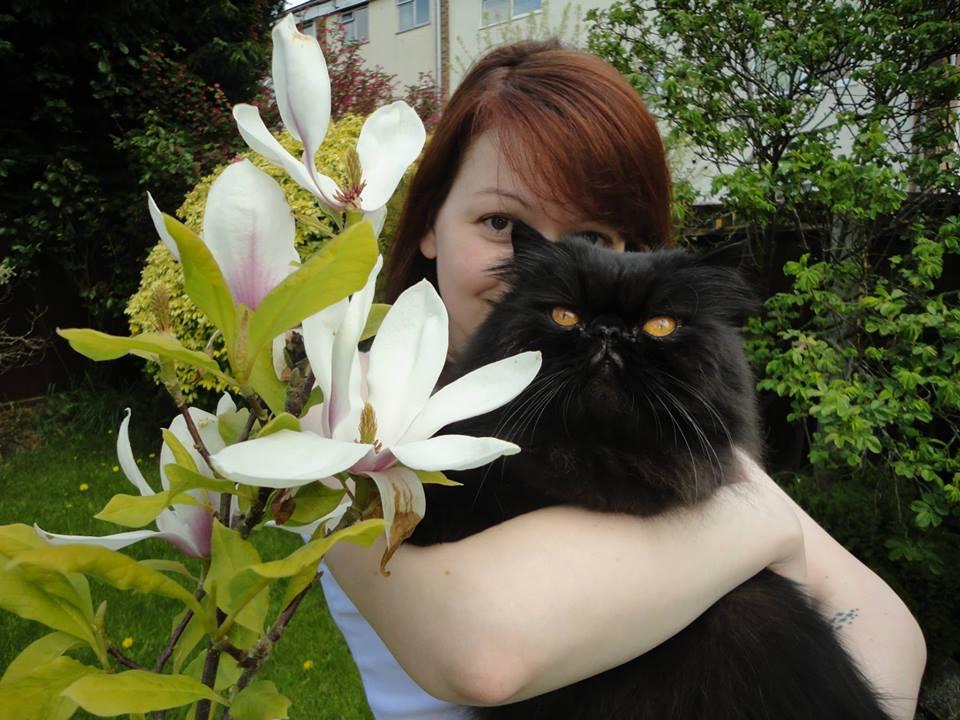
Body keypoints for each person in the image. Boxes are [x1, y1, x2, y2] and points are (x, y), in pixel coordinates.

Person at [321, 40, 926, 719]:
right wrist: (761, 526)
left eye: (592, 235)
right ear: (428, 221)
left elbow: (896, 644)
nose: (544, 259)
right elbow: (483, 655)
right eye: (502, 223)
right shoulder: (350, 413)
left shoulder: (647, 424)